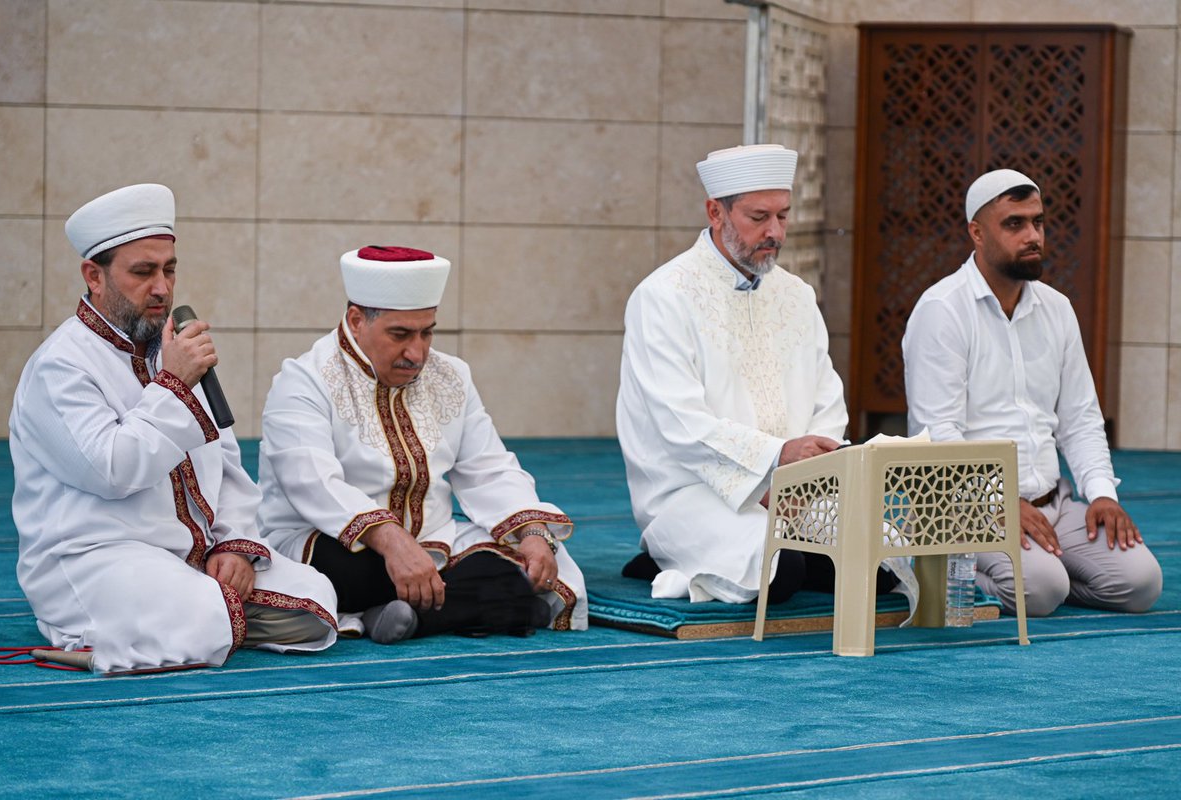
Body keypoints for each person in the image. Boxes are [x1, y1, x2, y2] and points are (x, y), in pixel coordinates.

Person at [9, 184, 337, 674]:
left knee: (317, 599)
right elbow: (114, 471)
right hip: (95, 559)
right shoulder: (60, 366)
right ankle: (113, 636)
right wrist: (174, 385)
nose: (162, 288)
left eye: (169, 269)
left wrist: (234, 547)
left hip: (187, 557)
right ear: (94, 276)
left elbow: (226, 467)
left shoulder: (172, 349)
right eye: (143, 272)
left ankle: (193, 624)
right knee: (204, 613)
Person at [616, 144, 902, 605]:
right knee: (779, 568)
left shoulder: (796, 295)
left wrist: (807, 477)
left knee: (882, 558)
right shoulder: (663, 297)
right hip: (691, 492)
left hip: (797, 491)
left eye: (783, 216)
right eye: (759, 217)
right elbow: (680, 423)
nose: (775, 232)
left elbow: (827, 401)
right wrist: (774, 463)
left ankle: (766, 550)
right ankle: (664, 554)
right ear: (716, 212)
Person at [256, 245, 587, 642]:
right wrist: (391, 540)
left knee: (522, 567)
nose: (416, 353)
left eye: (426, 333)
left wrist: (532, 532)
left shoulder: (452, 376)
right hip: (331, 543)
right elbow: (311, 482)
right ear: (357, 321)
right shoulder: (304, 381)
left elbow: (489, 468)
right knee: (347, 574)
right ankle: (471, 609)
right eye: (400, 335)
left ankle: (406, 616)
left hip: (433, 543)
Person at [903, 168, 1163, 616]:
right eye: (1014, 224)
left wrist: (1102, 495)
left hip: (1053, 505)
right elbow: (938, 436)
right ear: (977, 233)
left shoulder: (1057, 309)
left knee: (1141, 583)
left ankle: (1048, 576)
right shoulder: (942, 311)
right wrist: (1000, 504)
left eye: (1037, 222)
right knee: (1040, 590)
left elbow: (1080, 418)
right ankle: (922, 566)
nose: (1032, 236)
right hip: (967, 508)